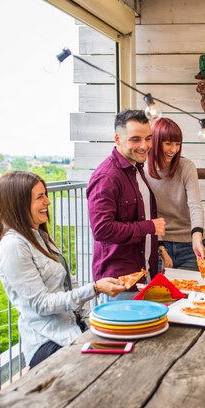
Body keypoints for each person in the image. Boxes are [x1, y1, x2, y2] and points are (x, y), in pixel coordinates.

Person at [0, 171, 126, 368]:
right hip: (48, 342)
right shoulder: (13, 247)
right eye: (40, 197)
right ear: (19, 204)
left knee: (125, 349)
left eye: (45, 194)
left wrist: (91, 324)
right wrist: (95, 288)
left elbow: (69, 285)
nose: (48, 201)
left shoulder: (40, 238)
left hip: (73, 332)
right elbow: (41, 304)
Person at [86, 110, 166, 299]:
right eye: (135, 139)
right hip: (119, 283)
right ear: (117, 139)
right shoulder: (106, 177)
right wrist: (149, 227)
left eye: (148, 138)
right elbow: (102, 229)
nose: (144, 146)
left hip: (142, 274)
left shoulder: (136, 169)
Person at [144, 117, 205, 270]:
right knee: (162, 293)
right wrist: (160, 247)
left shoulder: (186, 167)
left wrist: (197, 239)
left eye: (177, 144)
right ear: (155, 142)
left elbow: (195, 206)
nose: (173, 149)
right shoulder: (143, 172)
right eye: (168, 143)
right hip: (160, 246)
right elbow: (149, 214)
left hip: (190, 244)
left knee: (194, 292)